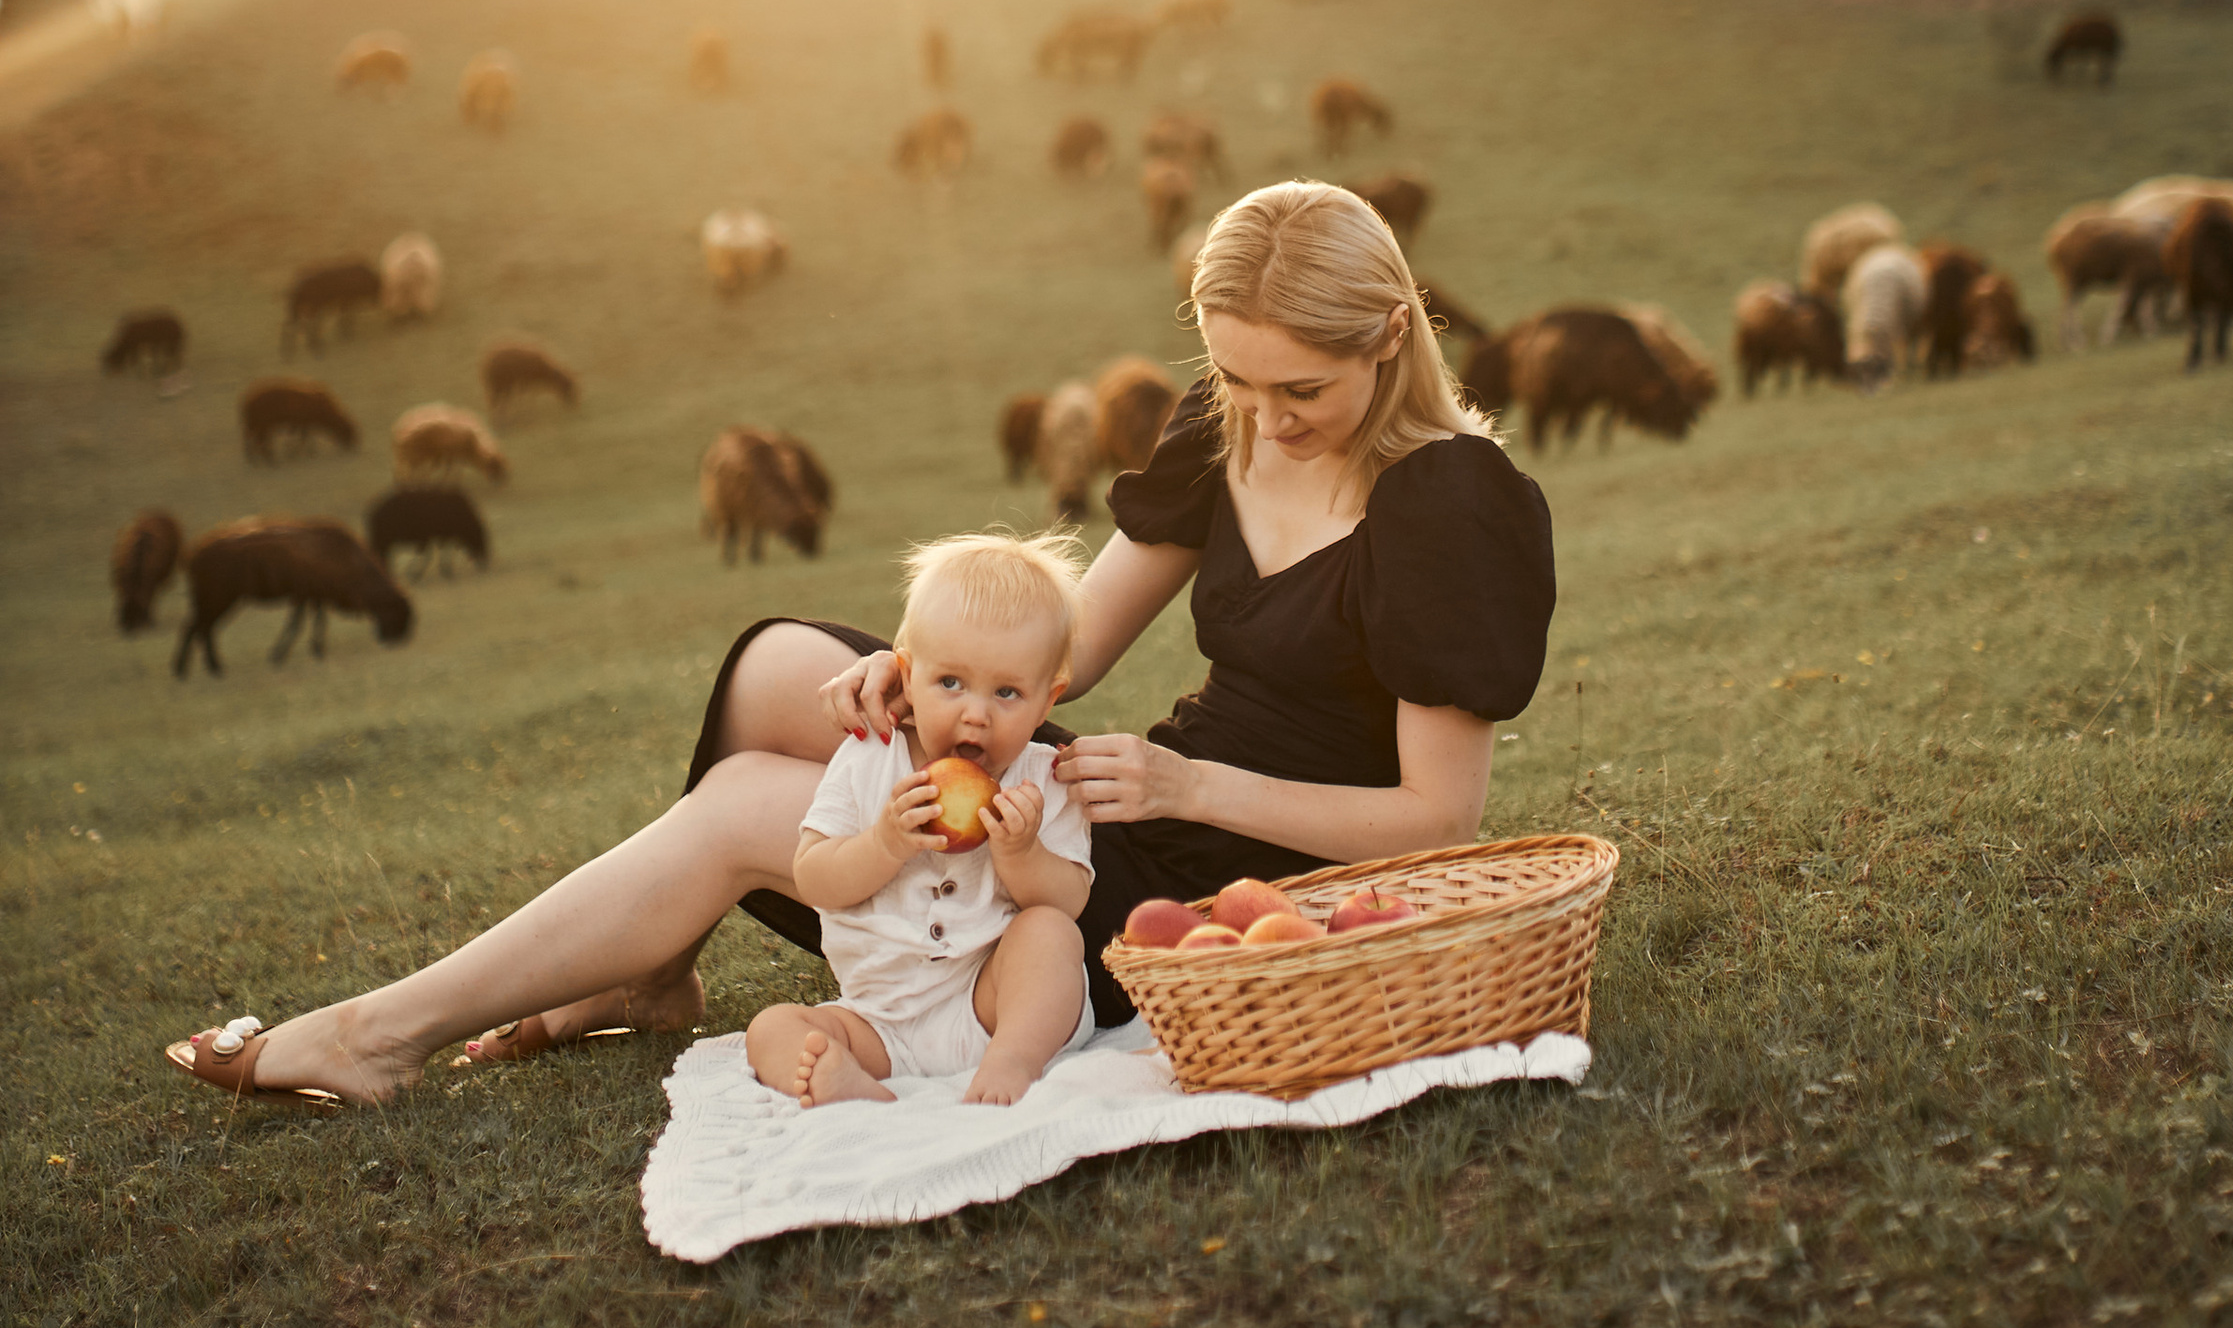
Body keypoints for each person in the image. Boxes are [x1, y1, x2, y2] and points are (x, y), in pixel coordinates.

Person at [162, 181, 1554, 1109]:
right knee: (784, 666)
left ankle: (375, 1039)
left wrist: (1192, 791)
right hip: (1134, 789)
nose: (1263, 413)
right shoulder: (1227, 423)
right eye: (1233, 377)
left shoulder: (1446, 503)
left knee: (747, 808)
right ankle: (649, 971)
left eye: (1297, 387)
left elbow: (1438, 820)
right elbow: (1078, 649)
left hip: (1225, 871)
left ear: (1389, 335)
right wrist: (936, 676)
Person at [742, 532, 1092, 1110]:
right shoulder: (869, 756)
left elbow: (1070, 900)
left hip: (988, 1007)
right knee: (772, 1029)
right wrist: (884, 842)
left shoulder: (1046, 780)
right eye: (949, 683)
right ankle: (846, 1083)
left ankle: (1015, 1061)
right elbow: (814, 877)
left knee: (1050, 936)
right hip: (877, 1022)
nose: (975, 713)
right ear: (906, 676)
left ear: (1047, 701)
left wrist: (1021, 853)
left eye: (1007, 692)